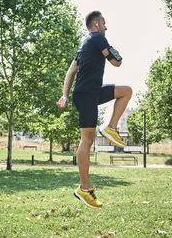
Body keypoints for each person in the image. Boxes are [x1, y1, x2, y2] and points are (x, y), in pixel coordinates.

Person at [56, 11, 132, 208]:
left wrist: (65, 94)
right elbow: (117, 62)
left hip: (91, 92)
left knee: (125, 92)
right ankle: (84, 188)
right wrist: (111, 51)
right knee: (87, 140)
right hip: (87, 94)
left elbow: (71, 70)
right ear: (97, 23)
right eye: (104, 23)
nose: (106, 27)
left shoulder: (86, 44)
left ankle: (111, 128)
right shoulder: (97, 38)